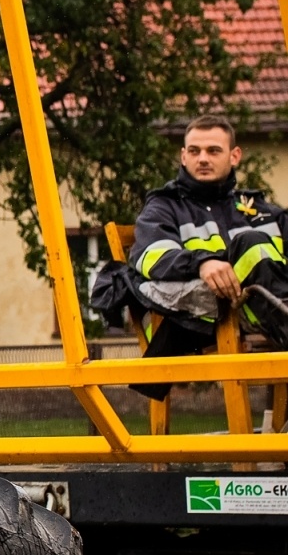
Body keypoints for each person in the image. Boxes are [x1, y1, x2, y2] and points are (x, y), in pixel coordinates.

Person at [94, 115, 288, 398]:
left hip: (262, 312)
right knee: (250, 242)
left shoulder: (257, 208)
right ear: (183, 156)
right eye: (195, 151)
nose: (203, 158)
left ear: (234, 156)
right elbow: (149, 256)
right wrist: (202, 263)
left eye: (213, 150)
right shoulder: (163, 206)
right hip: (201, 320)